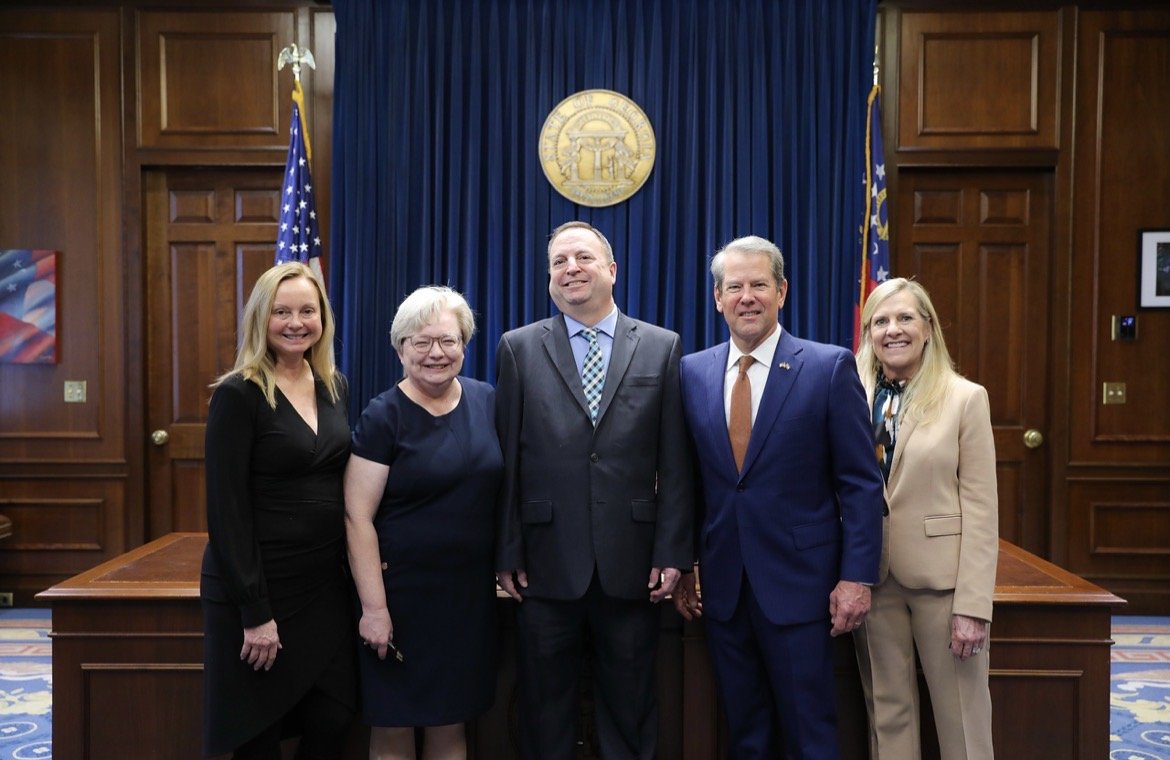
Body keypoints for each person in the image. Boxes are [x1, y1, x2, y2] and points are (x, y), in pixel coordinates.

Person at [673, 235, 885, 759]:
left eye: (759, 285)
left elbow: (860, 485)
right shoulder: (693, 372)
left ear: (782, 292)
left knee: (809, 732)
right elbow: (689, 481)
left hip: (801, 587)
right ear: (718, 298)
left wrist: (857, 578)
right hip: (723, 589)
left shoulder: (827, 367)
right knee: (746, 732)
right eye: (734, 286)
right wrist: (683, 564)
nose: (747, 296)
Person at [495, 221, 693, 760]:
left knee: (630, 708)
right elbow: (509, 462)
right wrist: (508, 550)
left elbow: (675, 462)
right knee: (543, 710)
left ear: (611, 269)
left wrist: (673, 551)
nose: (570, 269)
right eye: (558, 262)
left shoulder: (661, 347)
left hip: (633, 565)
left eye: (581, 257)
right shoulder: (518, 348)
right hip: (544, 561)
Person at [201, 261, 356, 759]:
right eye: (282, 311)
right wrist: (254, 610)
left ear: (323, 318)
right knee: (258, 732)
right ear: (261, 319)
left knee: (333, 715)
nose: (296, 322)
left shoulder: (335, 385)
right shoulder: (237, 393)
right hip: (261, 588)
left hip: (322, 587)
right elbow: (227, 510)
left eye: (308, 311)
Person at [344, 286, 502, 760]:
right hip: (400, 599)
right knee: (394, 728)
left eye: (448, 341)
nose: (437, 353)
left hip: (465, 598)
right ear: (400, 349)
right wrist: (374, 609)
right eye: (421, 342)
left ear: (465, 344)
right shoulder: (382, 416)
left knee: (451, 725)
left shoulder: (486, 400)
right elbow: (357, 516)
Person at [852, 277, 998, 759]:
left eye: (905, 318)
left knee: (961, 716)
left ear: (928, 327)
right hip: (872, 577)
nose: (893, 330)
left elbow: (981, 507)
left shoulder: (964, 398)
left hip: (944, 584)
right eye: (880, 321)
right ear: (868, 332)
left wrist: (973, 605)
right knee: (888, 712)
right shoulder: (850, 394)